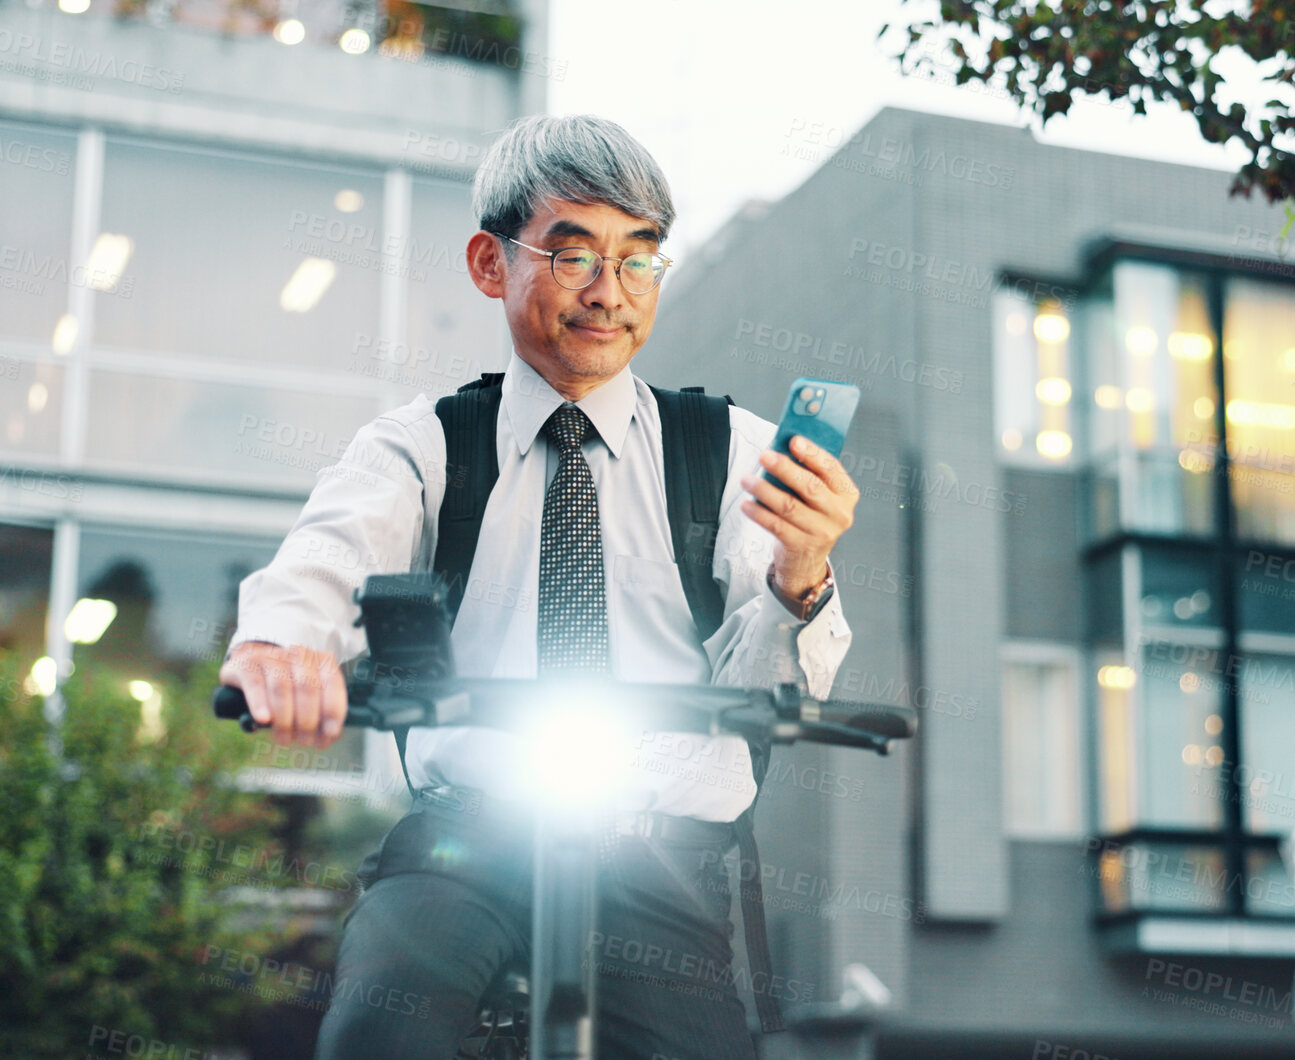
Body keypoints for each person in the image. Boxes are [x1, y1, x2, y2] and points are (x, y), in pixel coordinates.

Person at [217, 114, 860, 1060]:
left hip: (661, 859)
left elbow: (780, 689)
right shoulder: (422, 444)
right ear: (490, 264)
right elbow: (327, 554)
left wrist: (800, 574)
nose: (610, 293)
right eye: (573, 257)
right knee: (377, 1032)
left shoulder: (731, 451)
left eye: (639, 259)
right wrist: (281, 647)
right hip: (461, 848)